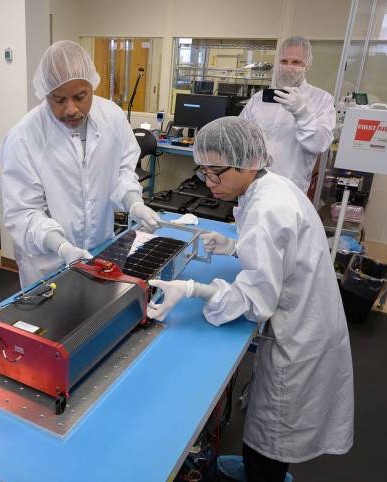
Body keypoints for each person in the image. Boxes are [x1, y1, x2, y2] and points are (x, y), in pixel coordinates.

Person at [147, 117, 353, 482]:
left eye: (216, 174)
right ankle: (258, 468)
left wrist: (194, 290)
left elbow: (256, 300)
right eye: (204, 173)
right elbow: (276, 254)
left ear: (247, 163)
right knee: (269, 415)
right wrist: (236, 245)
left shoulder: (267, 209)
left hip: (298, 334)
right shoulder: (270, 187)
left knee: (274, 423)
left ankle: (263, 476)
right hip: (307, 316)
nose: (209, 183)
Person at [1, 40, 160, 287]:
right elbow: (24, 212)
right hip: (48, 263)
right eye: (59, 99)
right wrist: (61, 246)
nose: (71, 109)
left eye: (80, 96)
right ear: (45, 94)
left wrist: (133, 202)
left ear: (92, 86)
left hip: (101, 250)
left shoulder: (112, 118)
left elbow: (122, 170)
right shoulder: (24, 137)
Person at [240, 36, 336, 193]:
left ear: (307, 65)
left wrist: (302, 113)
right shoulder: (259, 99)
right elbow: (239, 135)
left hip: (289, 190)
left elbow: (319, 144)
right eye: (284, 61)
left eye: (296, 62)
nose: (288, 67)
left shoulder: (321, 100)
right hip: (252, 186)